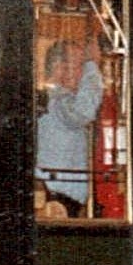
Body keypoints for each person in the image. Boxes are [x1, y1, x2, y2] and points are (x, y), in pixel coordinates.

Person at [35, 41, 104, 217]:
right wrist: (92, 67)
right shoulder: (58, 101)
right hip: (57, 201)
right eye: (80, 65)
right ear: (60, 68)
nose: (83, 71)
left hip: (60, 197)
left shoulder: (51, 100)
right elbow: (83, 112)